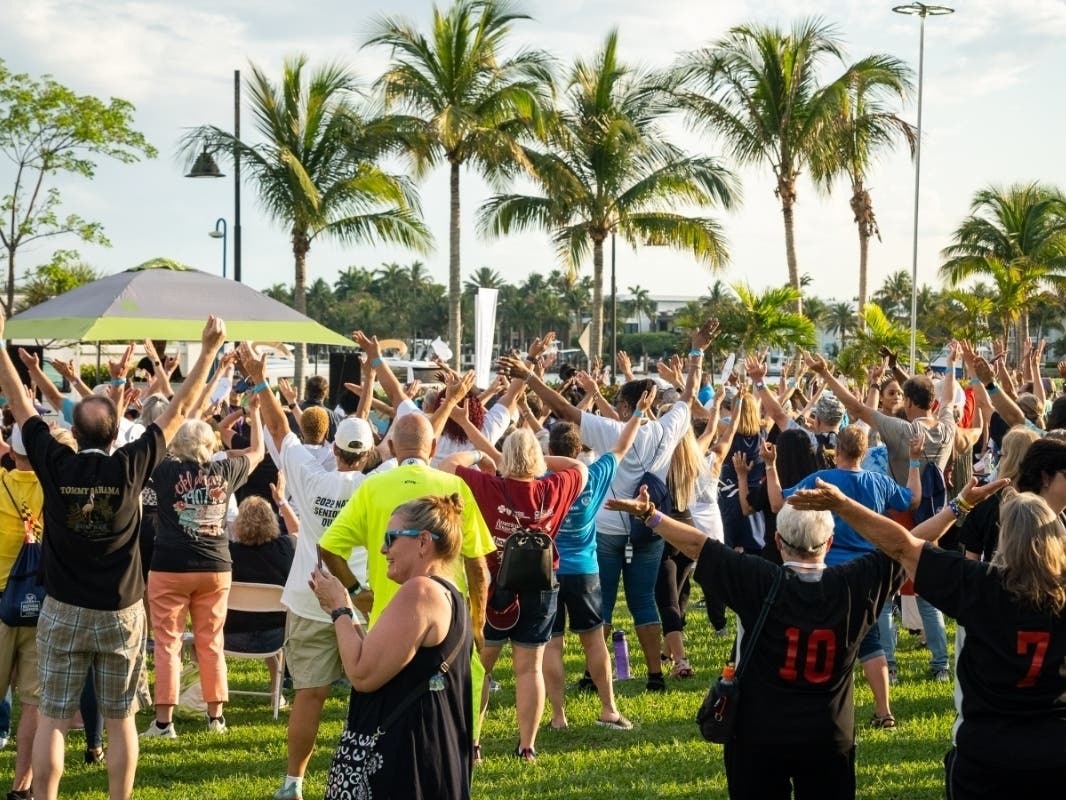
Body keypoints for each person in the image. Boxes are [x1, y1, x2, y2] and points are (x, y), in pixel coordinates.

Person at [606, 475, 1004, 800]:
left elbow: (697, 544)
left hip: (757, 734)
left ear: (778, 543)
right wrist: (959, 506)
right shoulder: (855, 584)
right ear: (829, 544)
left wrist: (651, 515)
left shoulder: (757, 580)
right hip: (828, 735)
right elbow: (908, 545)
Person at [0, 313, 227, 800]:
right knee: (122, 718)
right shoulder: (131, 464)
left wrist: (0, 342)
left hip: (61, 608)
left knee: (54, 719)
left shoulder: (54, 461)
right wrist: (207, 350)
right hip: (120, 612)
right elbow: (181, 407)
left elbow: (20, 404)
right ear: (113, 435)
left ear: (74, 433)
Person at [789, 480, 1064, 799]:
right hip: (1056, 754)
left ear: (1006, 539)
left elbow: (903, 545)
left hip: (985, 756)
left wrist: (842, 505)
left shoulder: (979, 585)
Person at [513, 319, 715, 691]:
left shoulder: (611, 431)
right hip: (648, 525)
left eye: (619, 403)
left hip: (608, 528)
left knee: (602, 604)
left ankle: (593, 675)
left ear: (626, 406)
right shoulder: (667, 428)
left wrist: (529, 377)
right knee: (642, 601)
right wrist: (696, 351)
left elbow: (563, 410)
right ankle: (655, 675)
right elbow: (687, 398)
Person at [235, 343, 376, 800]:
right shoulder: (379, 487)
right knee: (370, 697)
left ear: (334, 448)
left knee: (308, 697)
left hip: (310, 599)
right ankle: (367, 775)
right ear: (370, 451)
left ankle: (294, 781)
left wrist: (259, 378)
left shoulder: (309, 477)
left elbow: (278, 427)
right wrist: (374, 376)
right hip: (362, 603)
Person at [316, 412, 493, 762]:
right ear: (432, 446)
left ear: (393, 447)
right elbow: (477, 566)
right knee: (451, 726)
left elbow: (329, 546)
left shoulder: (372, 486)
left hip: (388, 625)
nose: (386, 548)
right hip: (446, 624)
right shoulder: (454, 487)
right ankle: (467, 750)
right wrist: (476, 622)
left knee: (390, 731)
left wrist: (354, 594)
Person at [310, 494, 473, 799]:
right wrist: (344, 609)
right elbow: (373, 657)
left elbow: (361, 673)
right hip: (433, 751)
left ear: (423, 542)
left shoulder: (420, 591)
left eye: (391, 538)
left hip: (405, 758)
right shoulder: (450, 594)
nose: (383, 549)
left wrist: (340, 609)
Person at [441, 427, 586, 761]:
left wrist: (486, 455)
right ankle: (527, 747)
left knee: (481, 668)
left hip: (495, 589)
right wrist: (537, 460)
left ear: (506, 457)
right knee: (529, 669)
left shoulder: (489, 487)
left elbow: (448, 465)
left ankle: (473, 744)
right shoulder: (553, 487)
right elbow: (580, 469)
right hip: (541, 587)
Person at [141, 404, 263, 739]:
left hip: (170, 565)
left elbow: (145, 443)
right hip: (215, 566)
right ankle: (216, 718)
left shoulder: (164, 471)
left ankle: (165, 723)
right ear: (210, 444)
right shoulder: (225, 470)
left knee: (167, 642)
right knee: (211, 642)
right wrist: (255, 414)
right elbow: (258, 451)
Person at [539, 386, 655, 732]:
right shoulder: (594, 474)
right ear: (581, 449)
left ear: (551, 449)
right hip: (585, 571)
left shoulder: (539, 479)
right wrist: (637, 414)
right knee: (594, 641)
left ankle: (558, 718)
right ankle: (608, 708)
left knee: (552, 644)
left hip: (549, 570)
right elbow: (621, 446)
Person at [0, 424, 44, 800]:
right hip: (41, 603)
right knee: (33, 701)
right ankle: (21, 789)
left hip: (1, 600)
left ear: (10, 453)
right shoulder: (54, 488)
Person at [225, 496, 297, 693]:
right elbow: (299, 531)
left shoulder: (227, 553)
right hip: (275, 637)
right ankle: (277, 693)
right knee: (266, 618)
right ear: (272, 521)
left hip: (229, 636)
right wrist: (282, 501)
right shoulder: (286, 548)